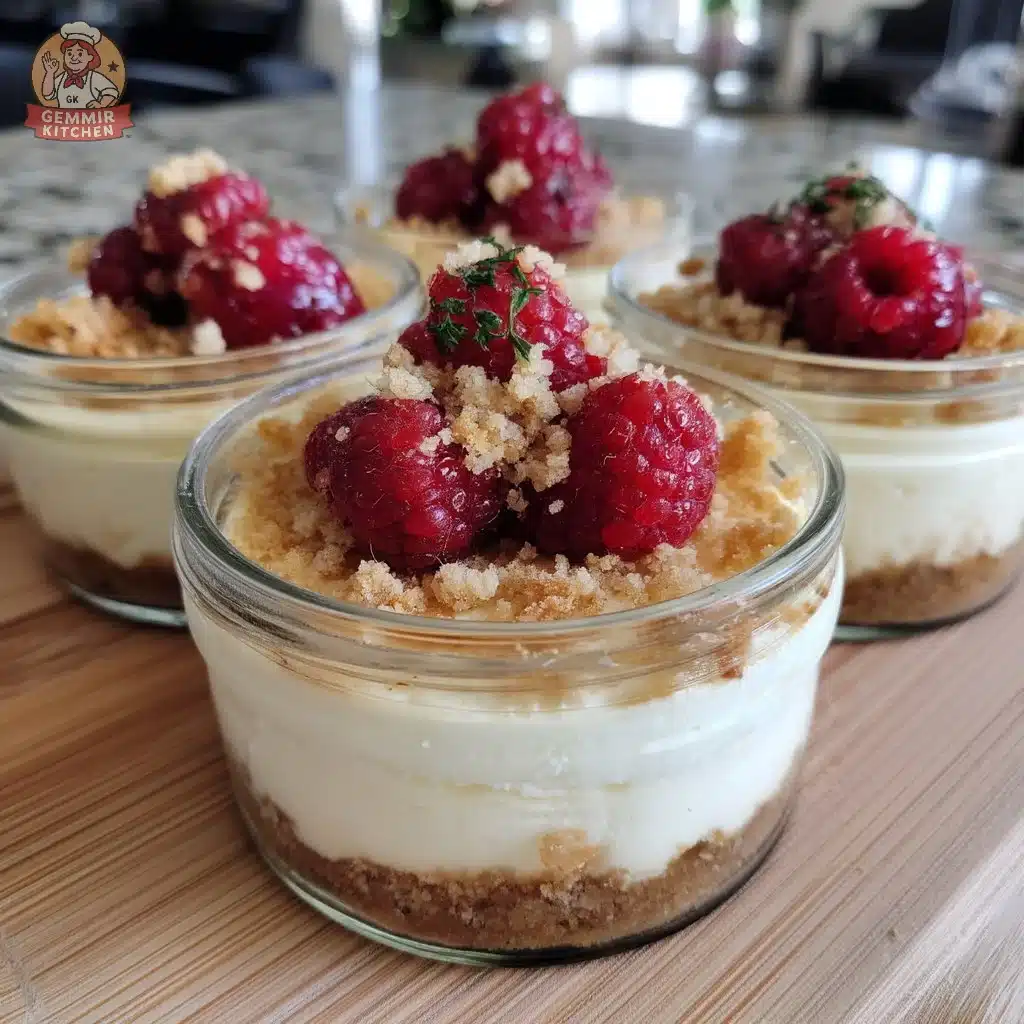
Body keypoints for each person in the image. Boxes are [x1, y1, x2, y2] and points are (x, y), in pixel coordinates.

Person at [40, 22, 120, 110]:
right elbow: (47, 95)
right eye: (69, 53)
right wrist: (50, 73)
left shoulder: (93, 77)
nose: (74, 57)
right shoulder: (62, 77)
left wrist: (101, 104)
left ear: (90, 57)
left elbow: (111, 92)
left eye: (80, 54)